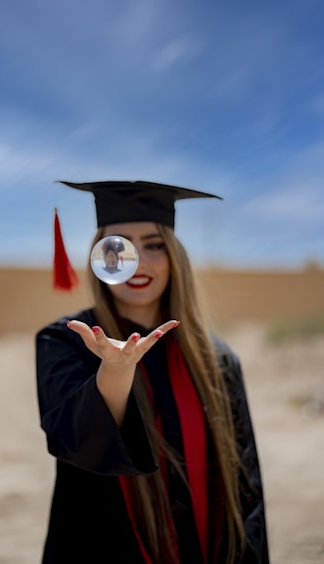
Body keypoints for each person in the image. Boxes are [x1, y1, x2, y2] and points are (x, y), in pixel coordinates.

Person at [36, 180, 270, 564]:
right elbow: (75, 443)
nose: (137, 262)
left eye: (154, 244)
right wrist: (115, 371)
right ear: (100, 258)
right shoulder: (65, 341)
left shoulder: (217, 358)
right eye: (117, 247)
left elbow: (247, 486)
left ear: (175, 256)